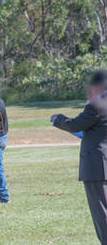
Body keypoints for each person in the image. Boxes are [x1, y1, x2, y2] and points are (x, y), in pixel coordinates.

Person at [51, 70, 107, 244]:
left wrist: (57, 119)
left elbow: (75, 125)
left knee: (101, 212)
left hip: (97, 166)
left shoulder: (98, 105)